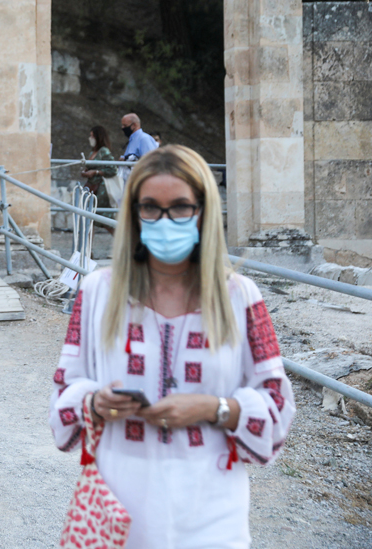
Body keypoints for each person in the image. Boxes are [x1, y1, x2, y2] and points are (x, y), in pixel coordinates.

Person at [49, 145, 295, 548]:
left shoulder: (239, 297)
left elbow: (277, 405)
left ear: (203, 211)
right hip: (116, 510)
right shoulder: (98, 292)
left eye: (180, 207)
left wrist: (216, 408)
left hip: (212, 512)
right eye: (150, 207)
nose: (165, 220)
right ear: (134, 214)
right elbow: (63, 393)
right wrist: (95, 402)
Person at [80, 125, 118, 209]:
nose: (90, 138)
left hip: (101, 187)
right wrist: (86, 171)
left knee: (98, 211)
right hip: (91, 186)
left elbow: (113, 169)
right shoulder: (92, 152)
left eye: (92, 136)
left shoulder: (103, 151)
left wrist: (95, 172)